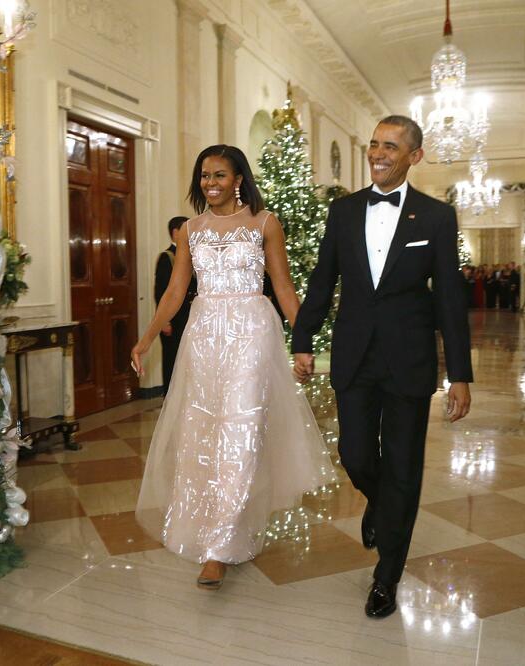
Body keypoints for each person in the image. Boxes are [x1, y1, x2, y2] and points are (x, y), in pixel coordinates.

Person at [292, 116, 473, 619]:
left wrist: (459, 373)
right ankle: (380, 502)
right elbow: (323, 279)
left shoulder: (436, 217)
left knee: (403, 467)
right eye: (374, 144)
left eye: (390, 146)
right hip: (354, 356)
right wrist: (303, 339)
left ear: (414, 156)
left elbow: (449, 299)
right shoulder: (344, 211)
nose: (377, 153)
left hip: (408, 360)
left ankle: (387, 575)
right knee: (354, 454)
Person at [131, 145, 335, 590]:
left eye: (220, 175)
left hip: (252, 335)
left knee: (241, 432)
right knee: (201, 433)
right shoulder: (191, 231)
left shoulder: (265, 223)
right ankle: (208, 527)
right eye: (205, 175)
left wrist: (303, 343)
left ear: (238, 179)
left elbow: (283, 287)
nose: (210, 183)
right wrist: (146, 338)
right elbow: (175, 292)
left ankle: (219, 549)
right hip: (204, 336)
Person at [153, 216, 198, 394]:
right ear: (175, 233)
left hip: (190, 316)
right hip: (174, 319)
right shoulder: (167, 257)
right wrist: (164, 320)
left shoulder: (192, 256)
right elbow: (161, 291)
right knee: (172, 360)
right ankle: (170, 398)